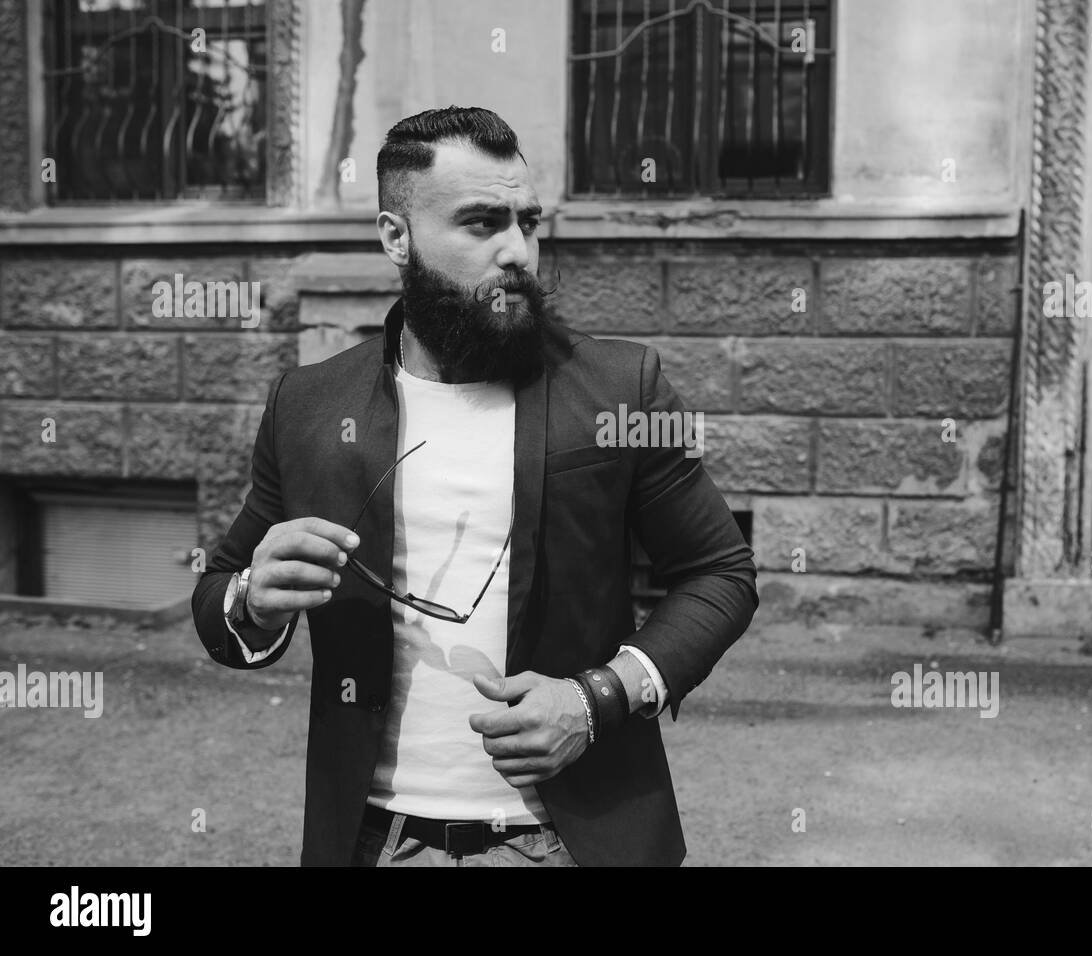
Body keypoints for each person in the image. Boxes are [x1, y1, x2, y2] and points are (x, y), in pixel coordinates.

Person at [191, 106, 758, 867]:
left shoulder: (620, 387)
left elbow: (719, 573)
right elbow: (222, 594)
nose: (516, 251)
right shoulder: (311, 404)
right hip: (373, 839)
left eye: (528, 222)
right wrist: (253, 601)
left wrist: (597, 698)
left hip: (572, 842)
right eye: (481, 223)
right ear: (396, 237)